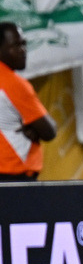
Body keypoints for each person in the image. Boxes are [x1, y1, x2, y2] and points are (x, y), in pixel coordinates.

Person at [0, 22, 56, 182]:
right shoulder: (13, 84)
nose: (23, 50)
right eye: (15, 45)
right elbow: (49, 131)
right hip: (13, 174)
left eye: (24, 43)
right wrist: (35, 127)